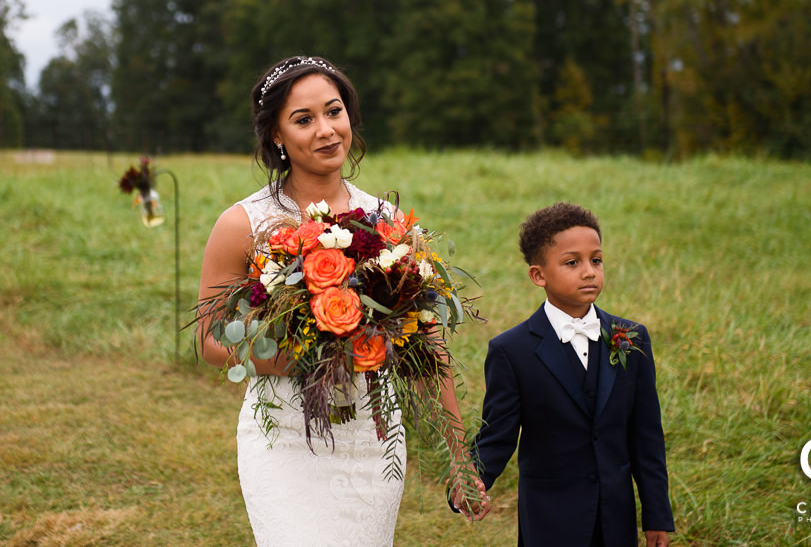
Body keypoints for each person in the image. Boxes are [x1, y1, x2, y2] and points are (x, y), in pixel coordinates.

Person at [197, 55, 487, 547]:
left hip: (372, 439)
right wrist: (291, 358)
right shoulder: (242, 224)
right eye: (304, 120)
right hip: (282, 435)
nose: (326, 130)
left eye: (334, 111)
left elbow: (428, 346)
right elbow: (209, 340)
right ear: (276, 136)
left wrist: (460, 456)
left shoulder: (387, 220)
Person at [467, 202, 674, 547]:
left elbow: (647, 437)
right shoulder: (512, 351)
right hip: (549, 522)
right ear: (538, 275)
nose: (589, 271)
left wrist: (656, 517)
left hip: (615, 522)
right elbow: (497, 435)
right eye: (572, 263)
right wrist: (469, 481)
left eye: (596, 260)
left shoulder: (631, 338)